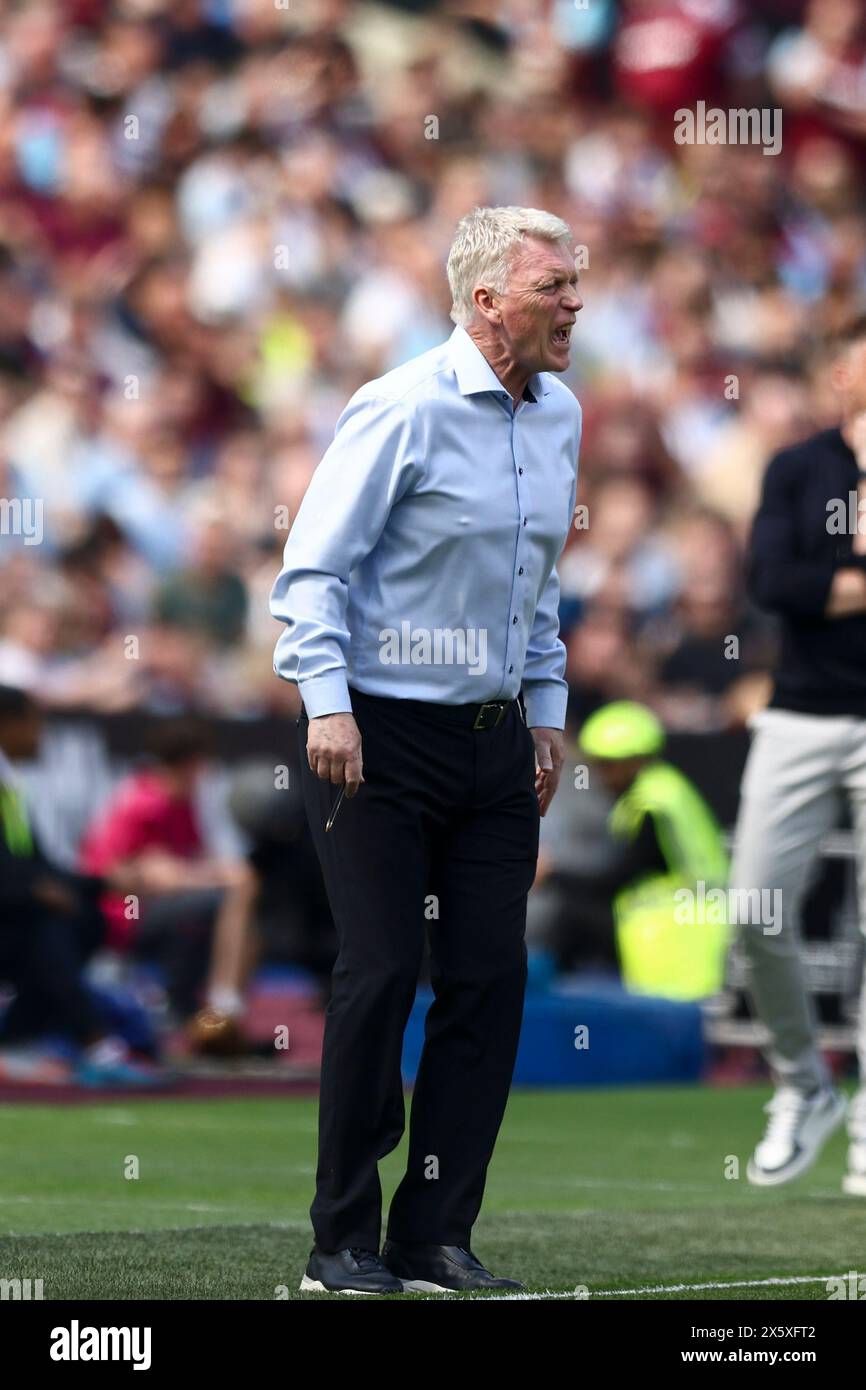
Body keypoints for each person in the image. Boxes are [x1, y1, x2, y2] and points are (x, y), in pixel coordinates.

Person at [270, 205, 583, 1294]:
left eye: (575, 282)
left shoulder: (560, 417)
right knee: (381, 971)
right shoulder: (396, 406)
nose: (575, 301)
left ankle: (433, 1232)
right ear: (487, 299)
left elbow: (536, 589)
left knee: (490, 978)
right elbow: (311, 571)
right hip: (375, 735)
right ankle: (341, 1239)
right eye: (554, 285)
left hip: (496, 743)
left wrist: (544, 708)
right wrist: (325, 703)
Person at [731, 315, 866, 1191]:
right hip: (801, 713)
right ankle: (801, 1083)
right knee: (754, 911)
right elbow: (772, 584)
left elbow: (804, 588)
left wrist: (838, 587)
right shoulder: (800, 465)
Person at [0, 685, 162, 1086]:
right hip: (14, 916)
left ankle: (20, 1037)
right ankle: (97, 1045)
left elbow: (36, 866)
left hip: (13, 912)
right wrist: (34, 891)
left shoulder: (10, 785)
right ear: (8, 724)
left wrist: (103, 882)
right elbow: (24, 877)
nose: (40, 734)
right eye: (34, 723)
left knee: (86, 920)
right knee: (47, 928)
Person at [79, 718, 259, 1055]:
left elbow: (179, 864)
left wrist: (192, 874)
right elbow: (120, 873)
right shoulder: (145, 801)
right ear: (191, 763)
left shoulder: (179, 802)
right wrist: (197, 875)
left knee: (237, 898)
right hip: (123, 913)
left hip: (160, 903)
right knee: (232, 892)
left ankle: (209, 1013)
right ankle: (222, 1007)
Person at [563, 701, 729, 1000]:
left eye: (607, 765)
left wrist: (553, 876)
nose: (601, 776)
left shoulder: (653, 803)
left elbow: (622, 876)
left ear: (635, 761)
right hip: (684, 936)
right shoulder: (665, 791)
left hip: (676, 941)